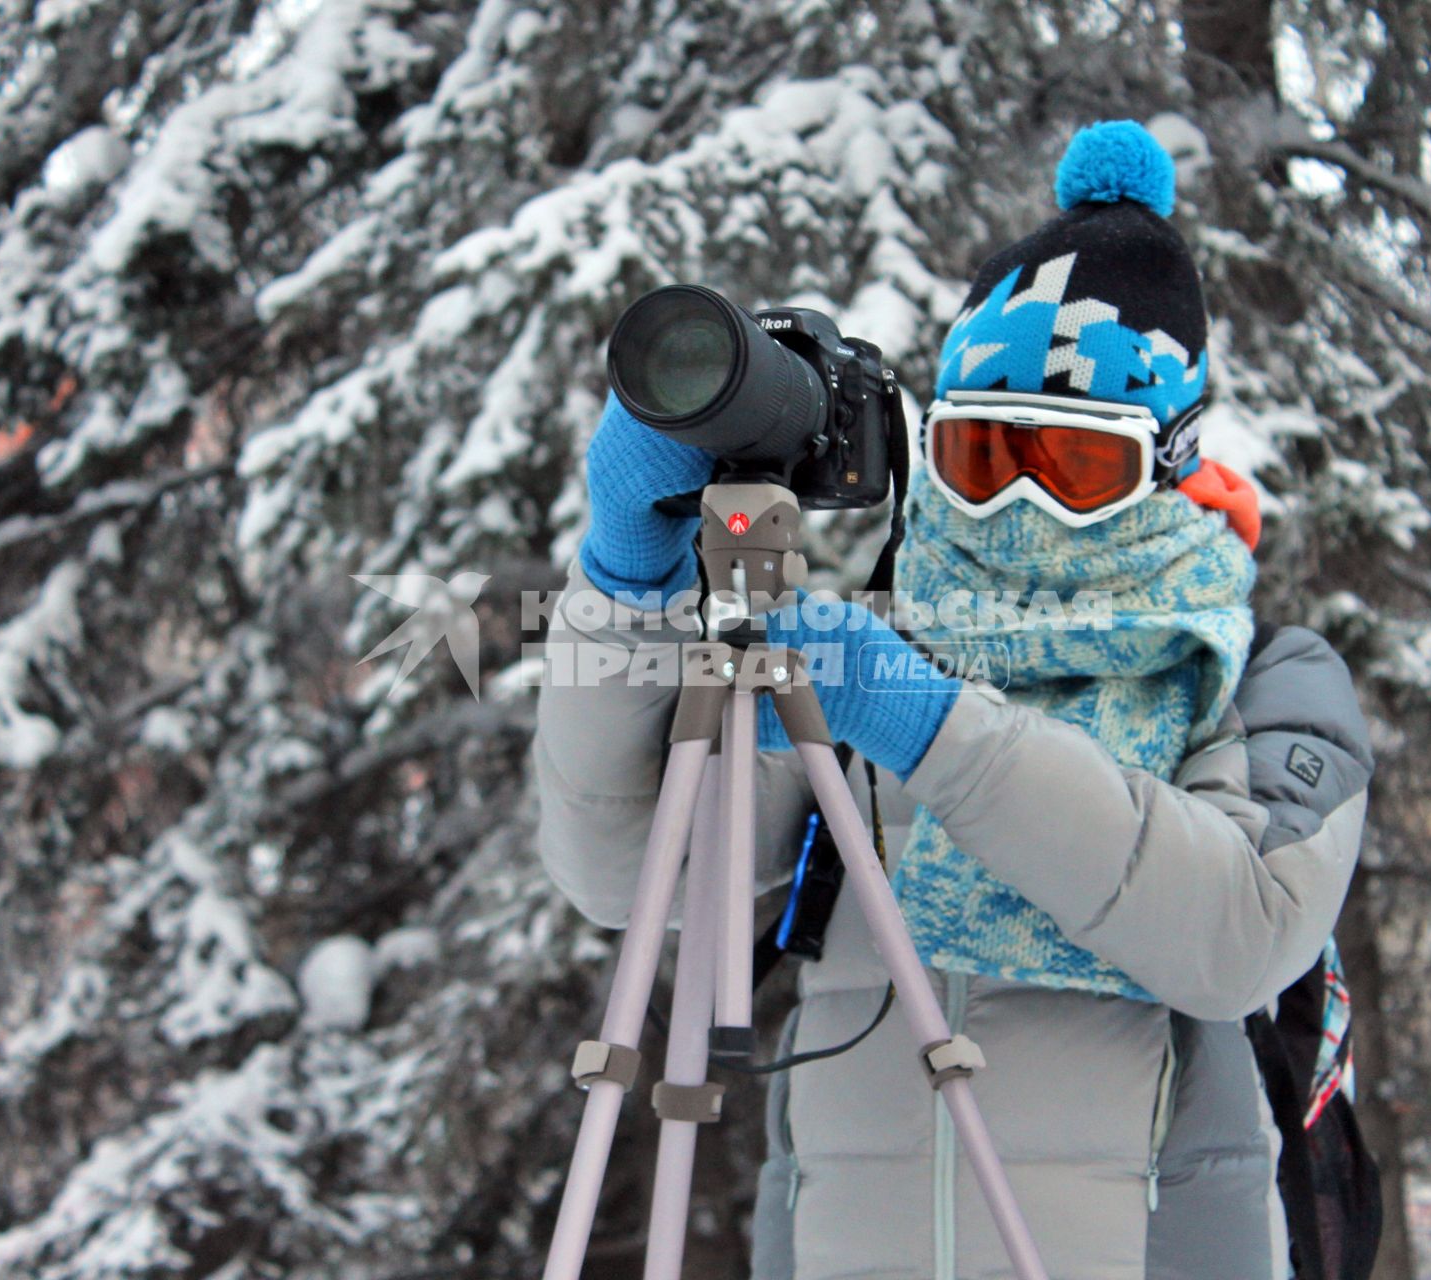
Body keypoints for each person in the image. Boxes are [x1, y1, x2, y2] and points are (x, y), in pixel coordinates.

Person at [533, 121, 1374, 1280]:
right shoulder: (880, 652)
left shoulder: (1258, 675)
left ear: (1169, 464)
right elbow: (622, 867)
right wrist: (627, 583)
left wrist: (937, 730)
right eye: (984, 456)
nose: (1020, 502)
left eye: (1076, 468)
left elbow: (1238, 934)